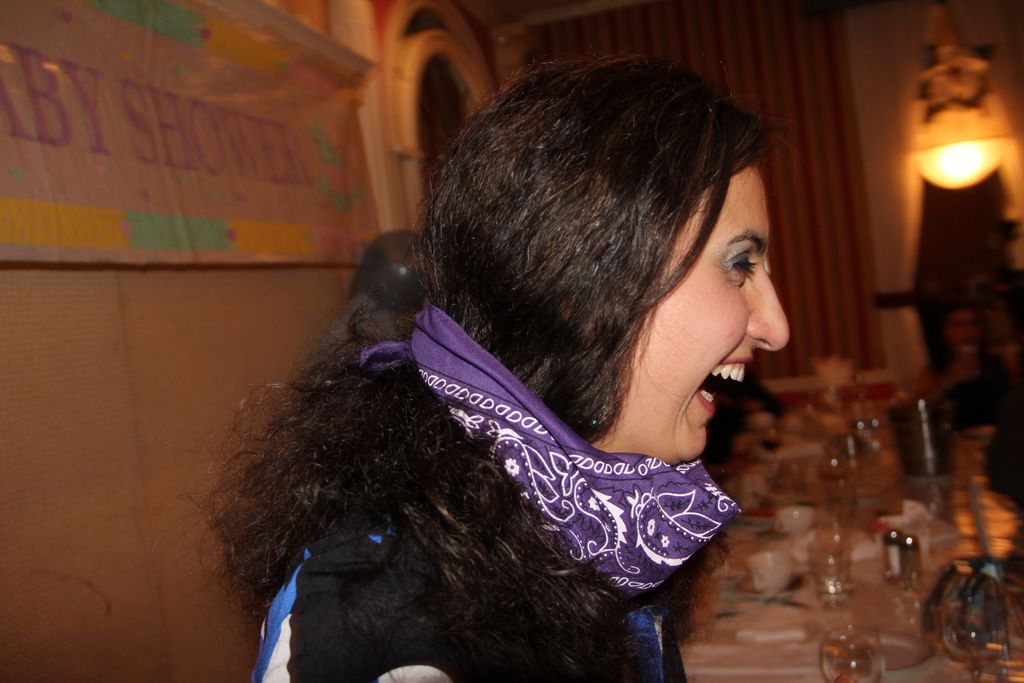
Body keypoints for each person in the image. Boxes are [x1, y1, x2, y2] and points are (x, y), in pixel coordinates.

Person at [208, 56, 789, 682]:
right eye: (739, 265)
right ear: (586, 280)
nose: (776, 326)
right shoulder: (382, 613)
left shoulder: (605, 515)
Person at [916, 298, 1009, 430]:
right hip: (959, 435)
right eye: (958, 325)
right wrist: (950, 380)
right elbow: (921, 406)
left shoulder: (998, 362)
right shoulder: (936, 368)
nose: (967, 331)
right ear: (945, 331)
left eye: (973, 323)